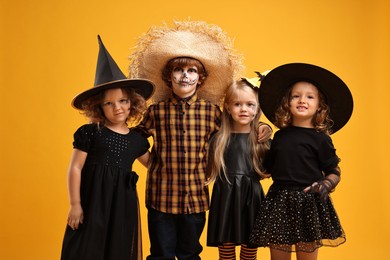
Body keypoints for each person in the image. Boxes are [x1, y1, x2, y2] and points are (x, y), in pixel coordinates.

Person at [128, 20, 272, 259]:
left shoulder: (212, 112)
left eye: (192, 71)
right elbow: (135, 139)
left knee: (190, 253)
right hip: (160, 197)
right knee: (161, 253)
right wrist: (150, 162)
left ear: (201, 78)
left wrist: (263, 125)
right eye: (178, 70)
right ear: (168, 77)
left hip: (195, 199)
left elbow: (237, 125)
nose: (185, 76)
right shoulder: (157, 111)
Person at [61, 35, 155, 260]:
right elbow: (75, 168)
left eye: (123, 101)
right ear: (98, 108)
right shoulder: (91, 133)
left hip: (122, 205)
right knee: (86, 247)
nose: (118, 108)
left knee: (118, 248)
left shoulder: (136, 140)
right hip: (92, 201)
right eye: (109, 103)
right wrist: (75, 204)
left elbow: (154, 165)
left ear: (132, 102)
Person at [249, 63, 353, 260]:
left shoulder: (321, 138)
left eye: (310, 96)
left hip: (308, 202)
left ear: (320, 106)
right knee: (278, 256)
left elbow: (333, 169)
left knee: (307, 256)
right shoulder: (280, 137)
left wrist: (326, 183)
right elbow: (266, 169)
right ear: (287, 102)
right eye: (296, 96)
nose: (302, 100)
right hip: (279, 202)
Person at [206, 76, 270, 260]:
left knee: (250, 246)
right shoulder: (217, 138)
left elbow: (275, 167)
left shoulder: (261, 139)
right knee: (226, 246)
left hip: (252, 196)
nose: (244, 109)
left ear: (258, 107)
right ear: (227, 107)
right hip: (225, 195)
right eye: (237, 104)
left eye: (250, 104)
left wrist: (266, 127)